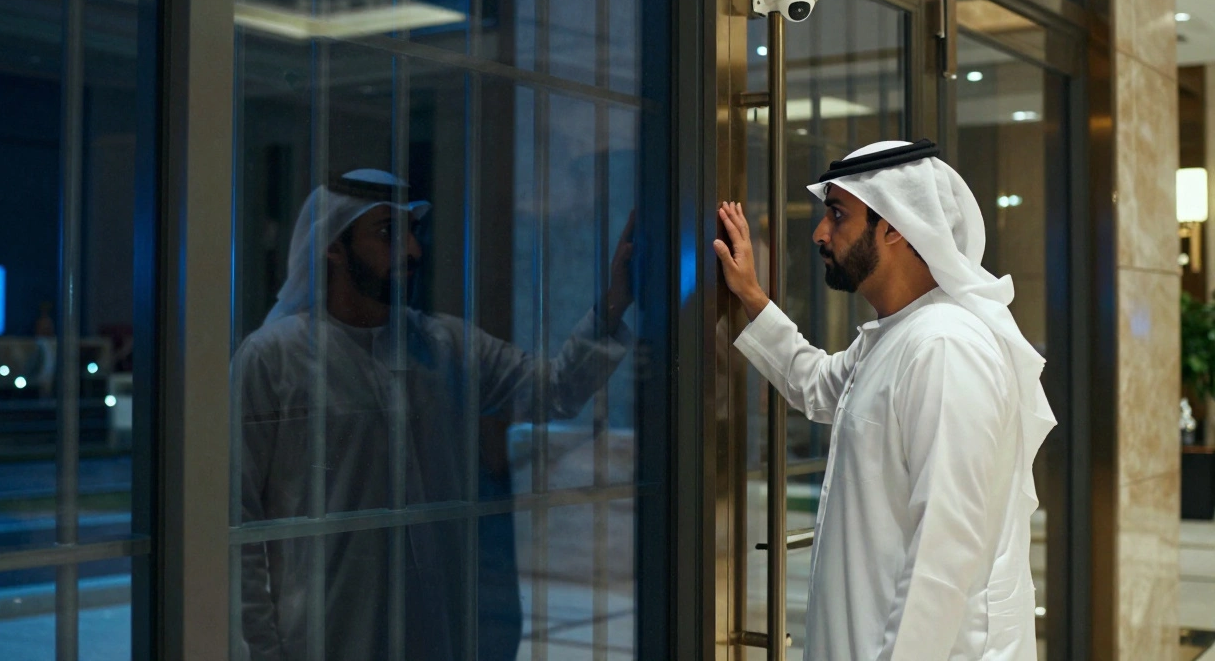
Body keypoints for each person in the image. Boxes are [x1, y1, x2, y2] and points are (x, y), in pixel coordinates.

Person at [235, 169, 636, 661]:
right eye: (387, 233)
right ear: (332, 247)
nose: (410, 251)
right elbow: (239, 522)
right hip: (321, 635)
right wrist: (260, 648)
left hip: (435, 629)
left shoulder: (445, 345)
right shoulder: (272, 358)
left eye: (411, 232)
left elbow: (553, 392)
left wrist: (615, 300)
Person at [713, 140, 1056, 661]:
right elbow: (820, 385)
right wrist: (751, 297)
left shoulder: (945, 347)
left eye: (837, 215)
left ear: (893, 225)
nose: (819, 234)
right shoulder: (899, 335)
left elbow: (943, 552)